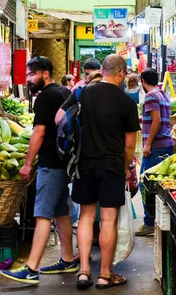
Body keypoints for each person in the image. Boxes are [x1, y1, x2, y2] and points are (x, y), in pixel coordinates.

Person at [59, 54, 139, 290]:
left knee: (85, 216)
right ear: (122, 73)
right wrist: (126, 166)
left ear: (102, 70)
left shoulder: (82, 93)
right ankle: (105, 274)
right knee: (108, 220)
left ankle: (84, 271)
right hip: (112, 165)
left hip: (84, 164)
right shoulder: (126, 102)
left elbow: (59, 119)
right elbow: (130, 144)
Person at [1, 57, 76, 285]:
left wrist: (27, 163)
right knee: (60, 211)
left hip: (51, 163)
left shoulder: (45, 97)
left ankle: (31, 268)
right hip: (66, 162)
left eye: (32, 74)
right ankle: (68, 259)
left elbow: (39, 132)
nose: (29, 79)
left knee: (42, 213)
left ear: (45, 73)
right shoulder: (64, 92)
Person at [136, 68, 174, 236]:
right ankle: (159, 219)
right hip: (166, 144)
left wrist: (148, 144)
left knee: (145, 183)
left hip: (156, 146)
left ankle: (149, 221)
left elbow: (156, 120)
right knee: (160, 183)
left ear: (143, 81)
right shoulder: (163, 95)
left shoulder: (150, 96)